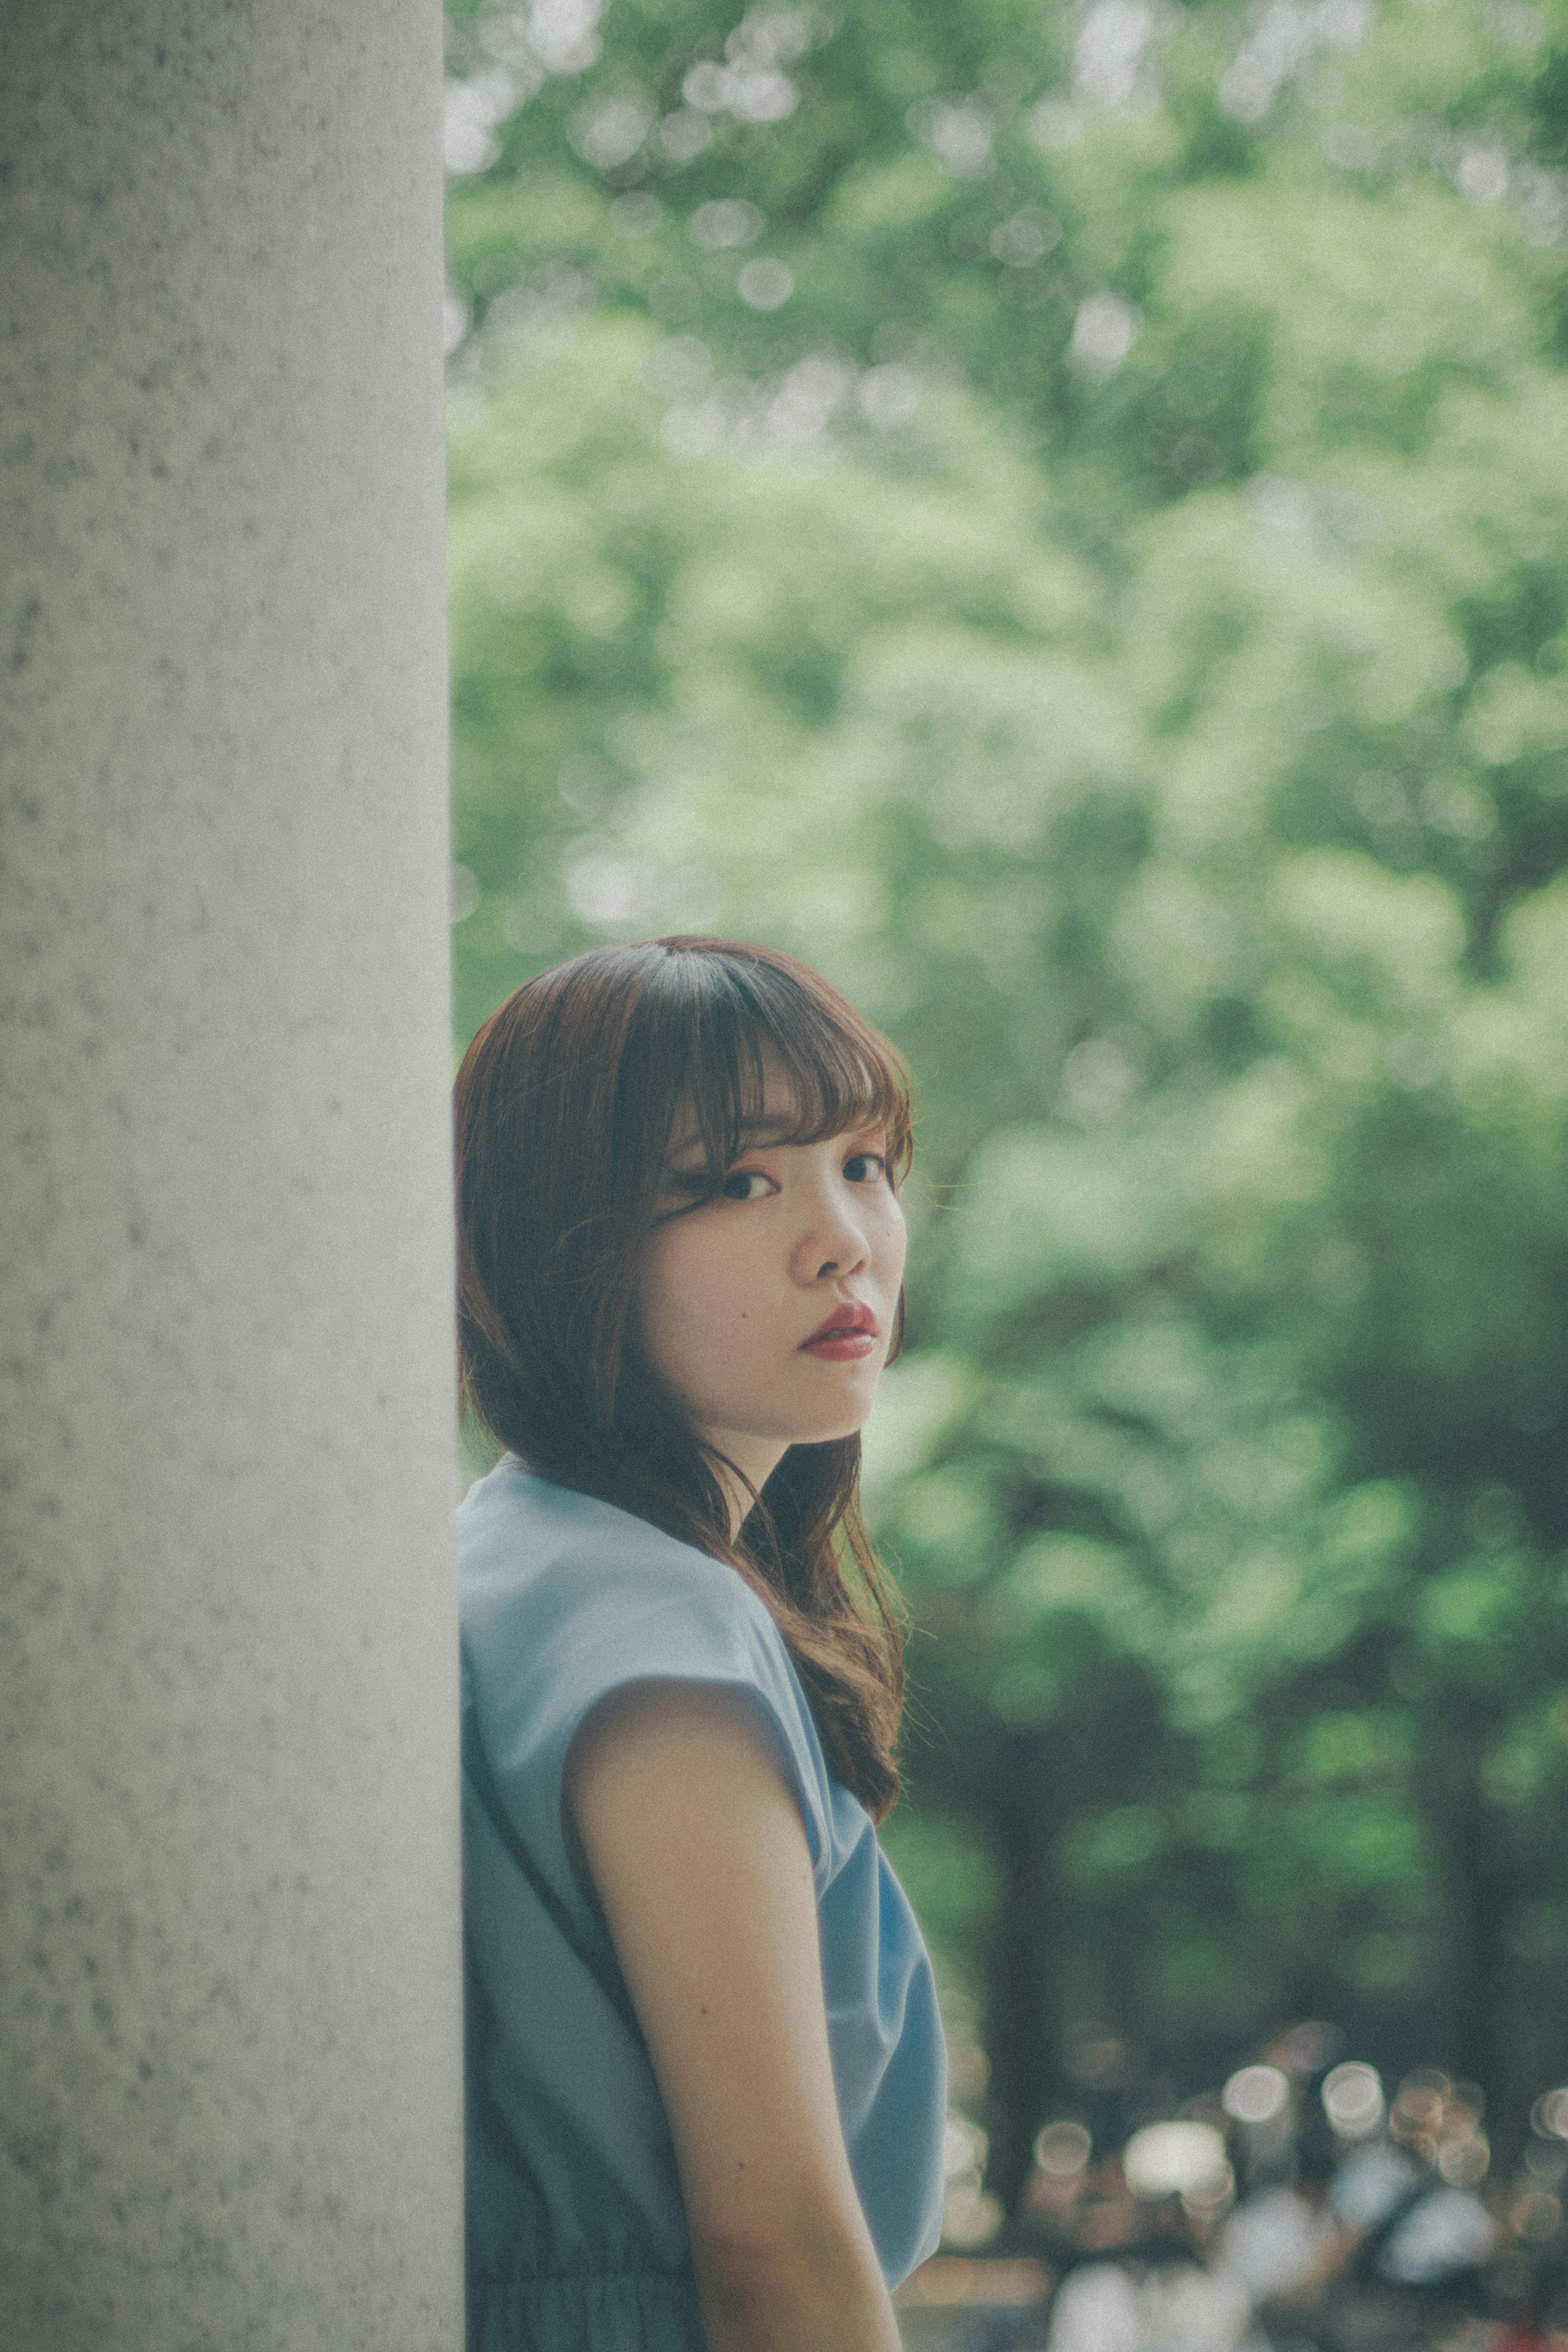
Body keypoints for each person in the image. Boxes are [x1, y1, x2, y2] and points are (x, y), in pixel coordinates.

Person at [454, 937, 948, 2352]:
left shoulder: (514, 1560)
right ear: (566, 1241)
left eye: (864, 1162)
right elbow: (779, 2248)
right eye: (738, 1181)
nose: (842, 1237)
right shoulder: (656, 1624)